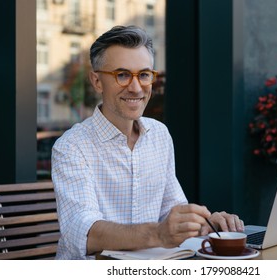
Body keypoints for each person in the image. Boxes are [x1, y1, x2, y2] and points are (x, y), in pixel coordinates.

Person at [52, 25, 244, 260]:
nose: (135, 87)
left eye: (144, 74)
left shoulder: (159, 134)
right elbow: (84, 232)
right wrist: (159, 234)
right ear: (97, 81)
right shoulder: (72, 146)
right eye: (122, 75)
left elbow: (172, 211)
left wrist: (205, 224)